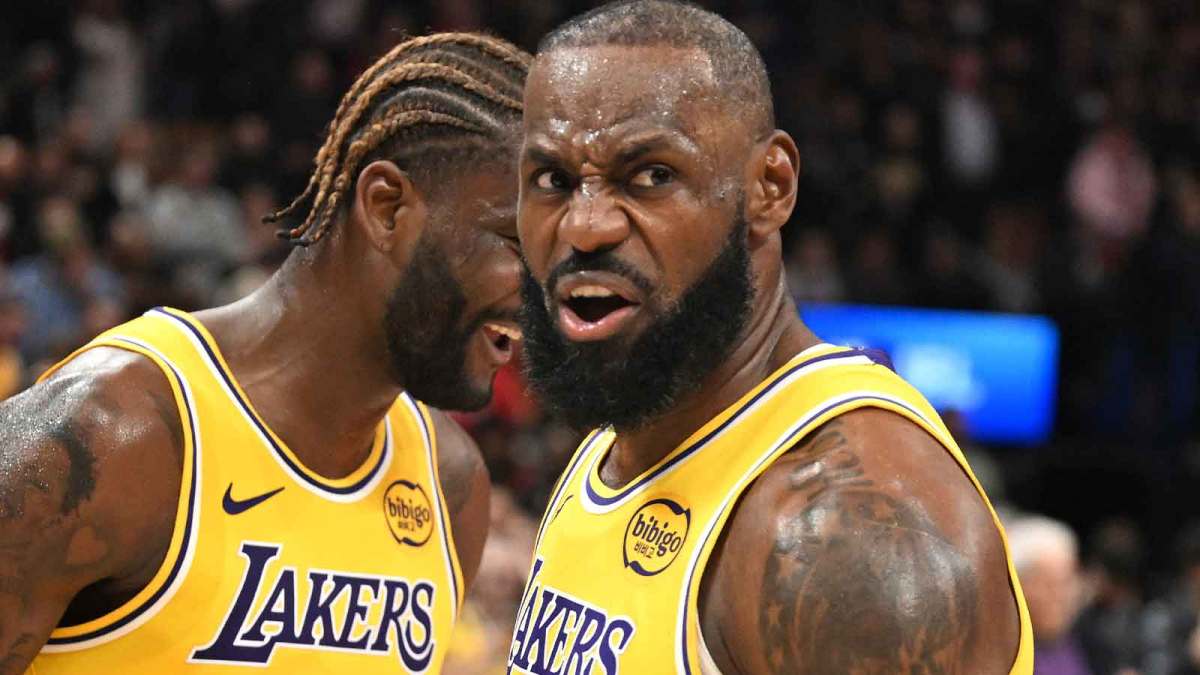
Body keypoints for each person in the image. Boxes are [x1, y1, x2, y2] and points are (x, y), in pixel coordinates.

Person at [509, 2, 1032, 673]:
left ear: (770, 187)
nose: (585, 227)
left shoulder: (842, 541)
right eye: (552, 180)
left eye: (651, 176)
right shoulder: (619, 441)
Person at [0, 32, 530, 673]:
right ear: (387, 207)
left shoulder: (451, 487)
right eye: (516, 243)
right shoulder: (104, 435)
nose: (547, 294)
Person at [1007, 516, 1093, 675]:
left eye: (1067, 583)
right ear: (1019, 588)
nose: (1063, 597)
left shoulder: (1077, 644)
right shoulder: (1003, 657)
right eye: (1051, 585)